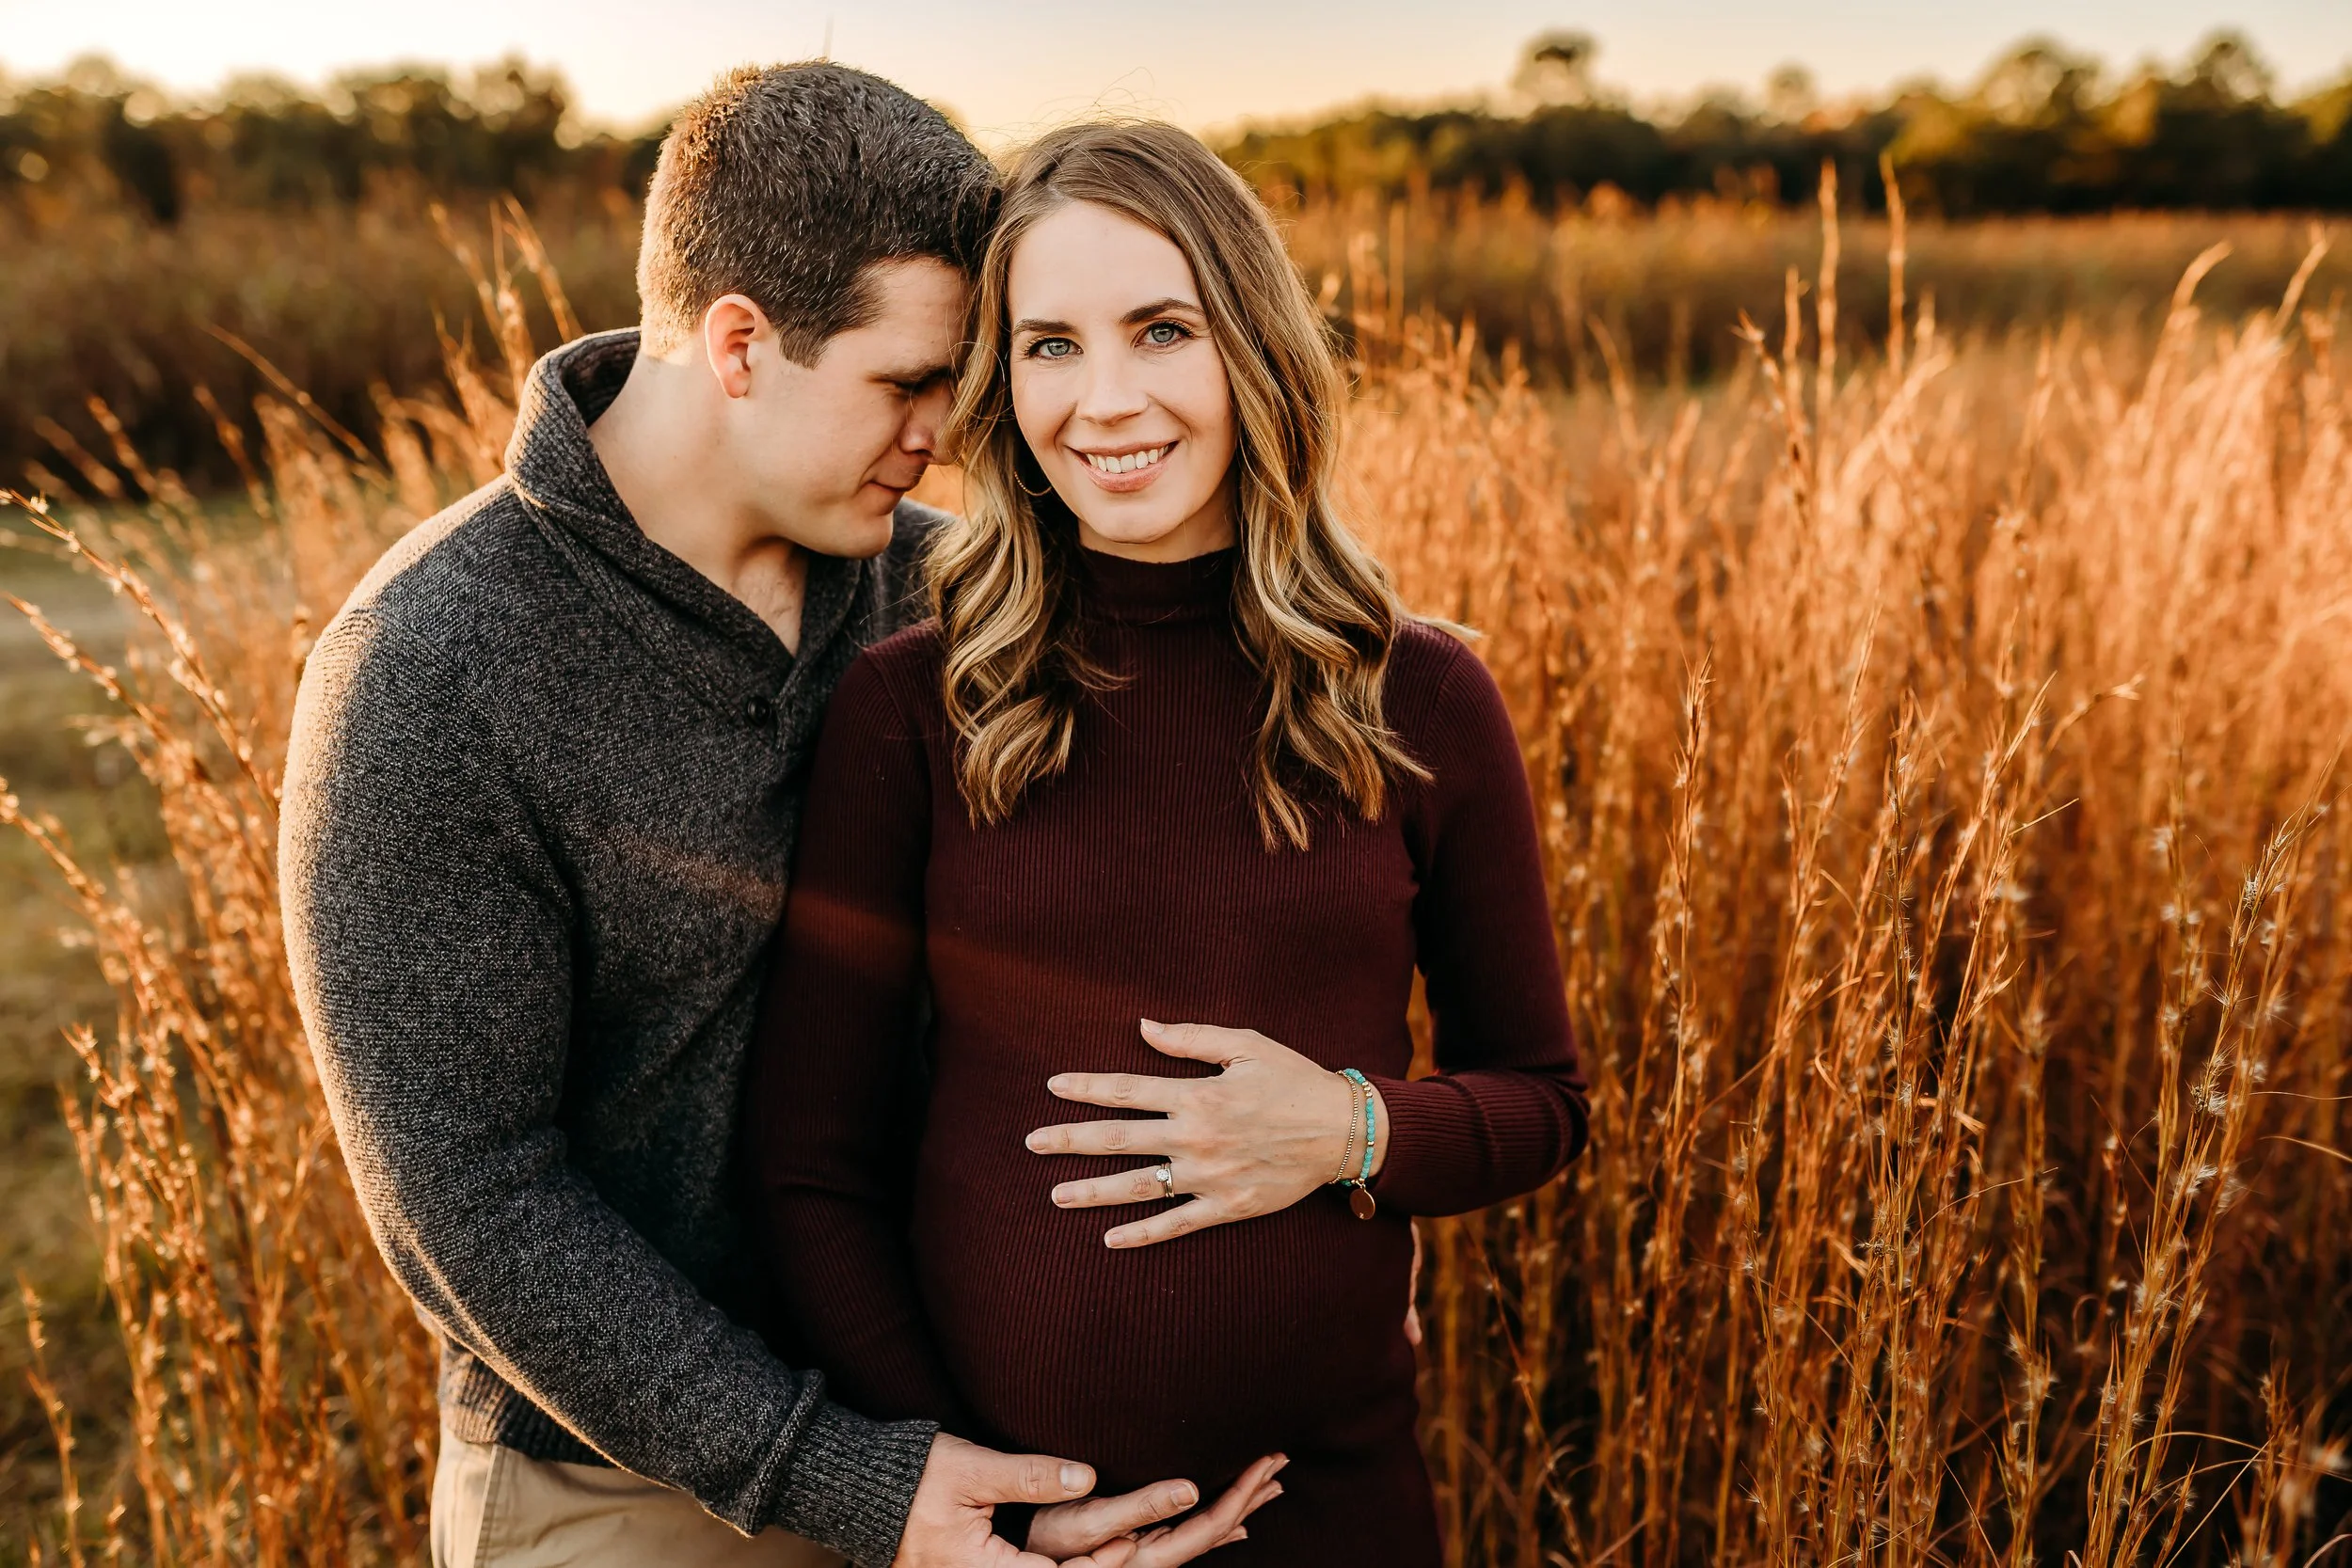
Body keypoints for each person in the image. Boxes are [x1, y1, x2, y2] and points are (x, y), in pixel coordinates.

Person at [281, 66, 1275, 1568]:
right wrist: (836, 1477)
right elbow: (465, 1194)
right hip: (630, 1487)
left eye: (962, 380)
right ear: (739, 342)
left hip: (978, 1413)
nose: (943, 432)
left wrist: (1333, 1161)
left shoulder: (946, 593)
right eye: (906, 382)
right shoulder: (427, 673)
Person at [748, 119, 1592, 1566]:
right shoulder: (915, 704)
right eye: (1050, 344)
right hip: (1023, 1547)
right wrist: (989, 1497)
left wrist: (1353, 1128)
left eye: (1161, 329)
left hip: (1330, 1508)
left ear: (1250, 348)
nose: (1107, 397)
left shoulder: (1421, 692)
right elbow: (808, 1163)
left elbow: (1541, 1098)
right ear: (1003, 387)